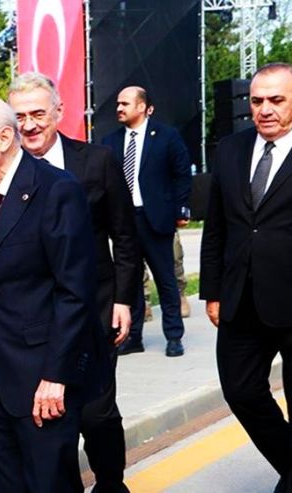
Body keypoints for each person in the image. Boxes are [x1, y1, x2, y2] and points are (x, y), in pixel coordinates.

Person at [0, 96, 100, 492]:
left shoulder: (56, 190)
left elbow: (76, 291)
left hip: (42, 380)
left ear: (2, 139)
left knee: (50, 485)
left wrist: (56, 375)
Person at [9, 72, 139, 493]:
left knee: (96, 411)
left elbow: (124, 234)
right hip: (36, 316)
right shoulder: (8, 173)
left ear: (58, 113)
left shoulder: (96, 161)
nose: (29, 125)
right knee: (52, 415)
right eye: (20, 116)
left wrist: (123, 299)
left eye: (37, 114)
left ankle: (110, 483)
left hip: (96, 305)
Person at [200, 62, 292, 493]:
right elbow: (217, 227)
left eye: (276, 100)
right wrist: (211, 290)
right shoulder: (231, 149)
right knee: (241, 391)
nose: (264, 110)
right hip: (240, 296)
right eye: (257, 100)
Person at [101, 86, 192, 357]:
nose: (119, 108)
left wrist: (181, 209)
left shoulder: (166, 136)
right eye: (117, 103)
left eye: (125, 103)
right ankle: (133, 337)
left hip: (156, 219)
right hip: (123, 223)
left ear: (142, 107)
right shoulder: (109, 142)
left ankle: (174, 336)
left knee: (166, 281)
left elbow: (182, 175)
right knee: (129, 283)